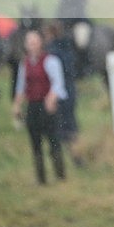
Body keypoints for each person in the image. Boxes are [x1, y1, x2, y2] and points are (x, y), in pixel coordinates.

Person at [12, 30, 67, 184]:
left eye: (34, 42)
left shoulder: (51, 61)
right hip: (33, 105)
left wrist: (51, 98)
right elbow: (21, 86)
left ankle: (60, 175)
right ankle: (41, 178)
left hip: (47, 105)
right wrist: (17, 105)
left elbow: (58, 84)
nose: (32, 46)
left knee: (53, 139)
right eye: (29, 43)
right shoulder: (25, 63)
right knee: (35, 141)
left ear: (40, 44)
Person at [43, 20, 82, 167]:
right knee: (70, 125)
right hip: (70, 91)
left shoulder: (53, 51)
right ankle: (75, 156)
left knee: (63, 127)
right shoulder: (66, 47)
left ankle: (70, 158)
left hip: (61, 93)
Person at [56, 0, 92, 74]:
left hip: (78, 21)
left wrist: (67, 19)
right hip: (65, 22)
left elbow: (78, 8)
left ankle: (85, 66)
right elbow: (60, 7)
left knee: (81, 40)